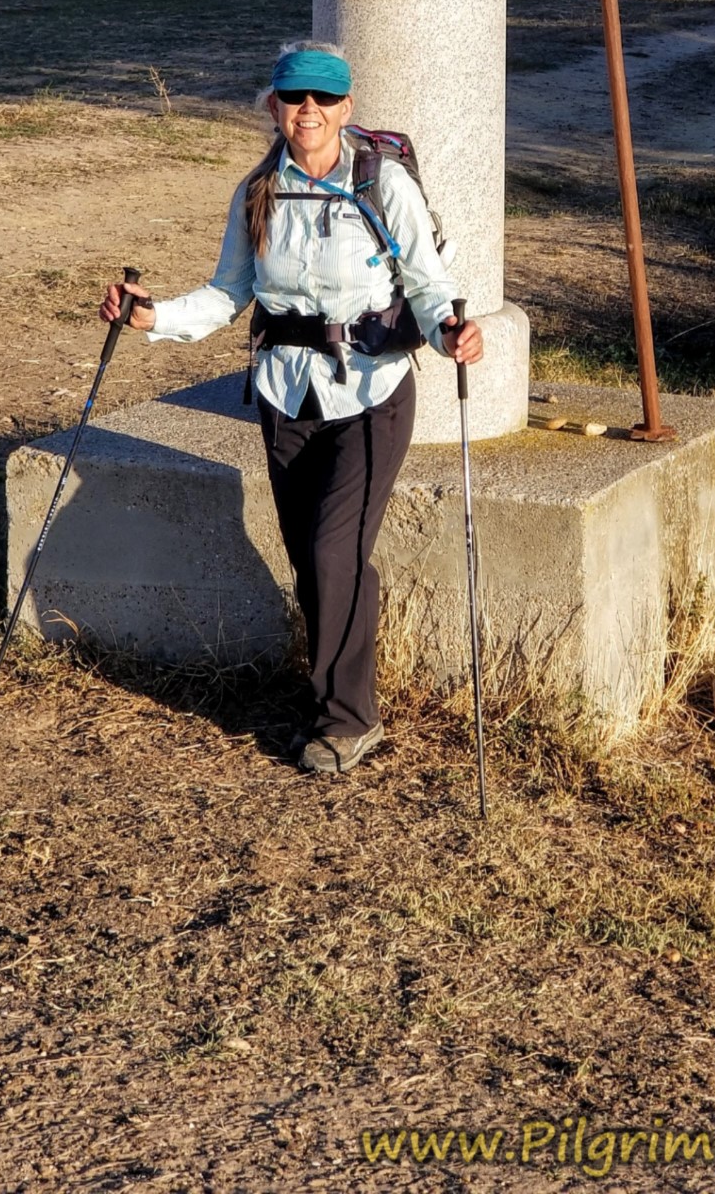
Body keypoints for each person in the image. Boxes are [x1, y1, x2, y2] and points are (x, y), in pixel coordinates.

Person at [99, 41, 482, 776]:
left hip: (372, 393)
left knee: (334, 552)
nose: (308, 110)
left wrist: (452, 333)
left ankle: (346, 720)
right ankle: (346, 689)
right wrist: (152, 318)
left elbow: (430, 287)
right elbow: (228, 292)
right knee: (316, 558)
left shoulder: (383, 184)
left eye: (323, 99)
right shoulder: (257, 191)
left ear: (346, 108)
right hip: (285, 393)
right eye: (294, 97)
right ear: (273, 106)